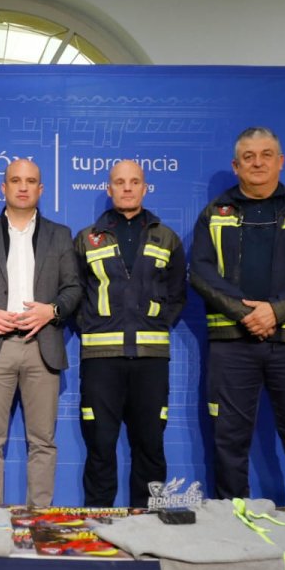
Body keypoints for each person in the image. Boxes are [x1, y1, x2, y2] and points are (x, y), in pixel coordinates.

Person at [190, 126, 285, 513]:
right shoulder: (214, 214)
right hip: (232, 344)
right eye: (249, 157)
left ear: (281, 161)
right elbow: (201, 273)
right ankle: (232, 522)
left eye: (266, 154)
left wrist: (277, 311)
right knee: (229, 438)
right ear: (236, 166)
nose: (258, 163)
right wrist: (247, 314)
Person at [0, 159, 82, 507]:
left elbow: (73, 289)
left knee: (43, 441)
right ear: (4, 187)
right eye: (15, 180)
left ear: (41, 189)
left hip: (42, 347)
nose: (23, 187)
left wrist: (51, 311)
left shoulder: (61, 235)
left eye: (30, 181)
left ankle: (40, 519)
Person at [73, 159, 186, 508]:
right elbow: (75, 292)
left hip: (150, 360)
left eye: (134, 181)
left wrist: (154, 320)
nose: (126, 187)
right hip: (100, 361)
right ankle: (98, 521)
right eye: (119, 182)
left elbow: (177, 294)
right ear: (109, 189)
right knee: (100, 445)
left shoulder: (166, 237)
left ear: (144, 187)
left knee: (151, 446)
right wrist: (94, 324)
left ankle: (148, 522)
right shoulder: (87, 238)